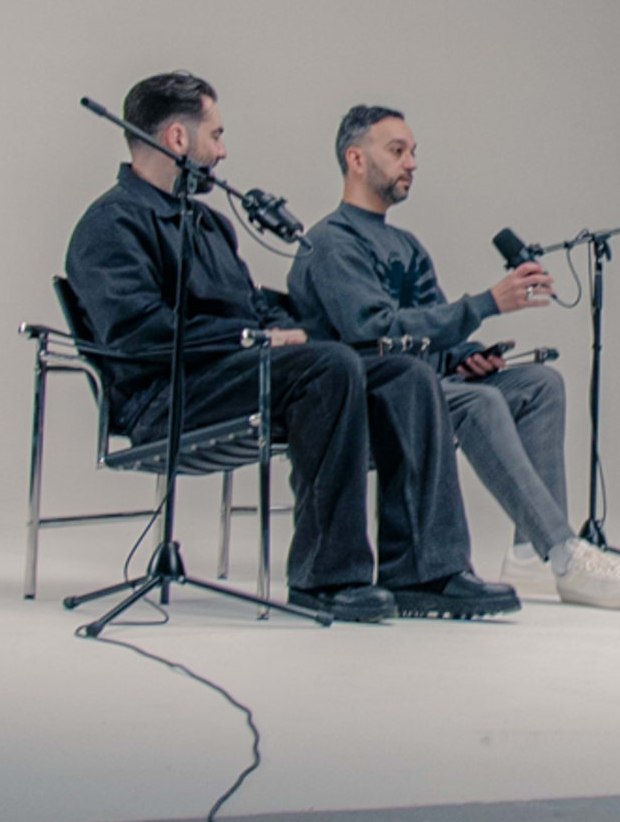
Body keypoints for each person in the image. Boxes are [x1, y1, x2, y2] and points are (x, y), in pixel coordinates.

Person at [63, 72, 515, 623]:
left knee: (402, 374)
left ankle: (426, 571)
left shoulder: (208, 224)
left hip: (234, 372)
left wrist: (301, 327)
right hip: (167, 395)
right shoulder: (110, 222)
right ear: (179, 140)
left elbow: (249, 304)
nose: (223, 151)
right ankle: (326, 578)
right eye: (216, 135)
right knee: (326, 369)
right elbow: (138, 332)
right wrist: (253, 338)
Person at [288, 105, 620, 610]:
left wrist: (465, 357)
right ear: (355, 158)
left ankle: (529, 554)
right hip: (364, 400)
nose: (411, 162)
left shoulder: (406, 245)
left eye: (414, 152)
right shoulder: (330, 241)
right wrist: (485, 304)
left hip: (422, 385)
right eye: (397, 151)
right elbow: (373, 332)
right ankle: (566, 555)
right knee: (478, 404)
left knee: (539, 385)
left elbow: (430, 325)